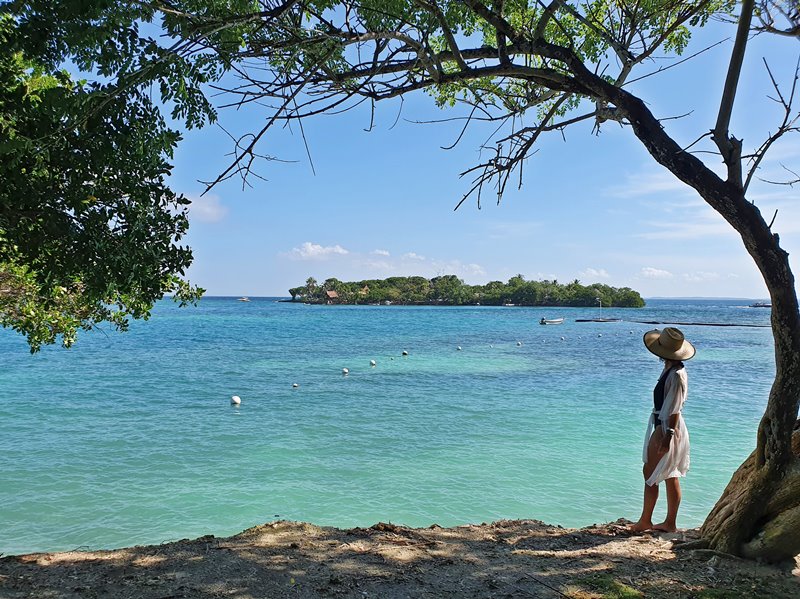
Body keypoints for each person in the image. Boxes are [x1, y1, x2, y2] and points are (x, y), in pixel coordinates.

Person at [630, 327, 695, 533]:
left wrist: (668, 436)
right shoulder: (671, 369)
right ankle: (669, 523)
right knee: (669, 474)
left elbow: (675, 409)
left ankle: (646, 521)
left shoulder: (675, 375)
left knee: (650, 471)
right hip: (666, 425)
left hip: (668, 426)